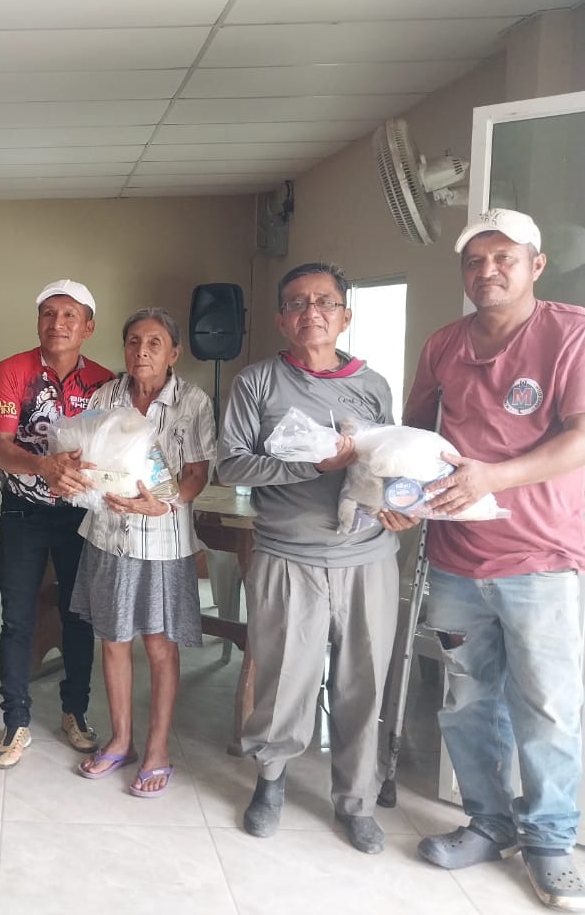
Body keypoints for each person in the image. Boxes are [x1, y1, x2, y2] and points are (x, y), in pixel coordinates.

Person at [387, 209, 585, 909]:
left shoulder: (570, 333)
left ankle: (551, 841)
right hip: (455, 561)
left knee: (548, 706)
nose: (487, 271)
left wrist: (492, 478)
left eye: (504, 258)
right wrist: (402, 495)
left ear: (536, 265)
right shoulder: (444, 344)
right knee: (467, 698)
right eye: (474, 261)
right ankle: (487, 822)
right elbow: (416, 435)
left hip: (542, 559)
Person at [217, 261, 399, 854]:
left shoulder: (372, 385)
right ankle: (271, 781)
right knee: (282, 679)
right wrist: (309, 466)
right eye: (297, 303)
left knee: (362, 683)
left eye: (325, 302)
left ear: (345, 315)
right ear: (280, 319)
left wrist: (402, 502)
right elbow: (231, 464)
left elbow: (385, 462)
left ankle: (356, 800)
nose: (311, 312)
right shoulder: (257, 382)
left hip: (367, 556)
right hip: (287, 554)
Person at [71, 308, 215, 796]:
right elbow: (87, 455)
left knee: (158, 643)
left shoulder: (192, 402)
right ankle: (120, 741)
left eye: (155, 343)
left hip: (164, 540)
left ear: (174, 353)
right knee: (113, 639)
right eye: (134, 341)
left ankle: (157, 749)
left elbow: (197, 473)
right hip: (109, 534)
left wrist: (167, 503)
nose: (142, 351)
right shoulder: (106, 396)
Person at [0, 279, 114, 769]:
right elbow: (0, 448)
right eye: (48, 314)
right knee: (16, 617)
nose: (57, 324)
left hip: (81, 515)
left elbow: (111, 452)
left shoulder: (105, 383)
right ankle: (15, 719)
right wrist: (45, 466)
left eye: (69, 316)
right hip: (23, 510)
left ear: (88, 327)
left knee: (78, 615)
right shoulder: (11, 371)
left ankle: (74, 711)